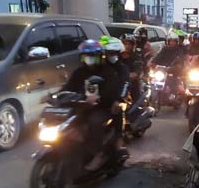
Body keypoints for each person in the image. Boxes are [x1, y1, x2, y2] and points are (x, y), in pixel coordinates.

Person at [62, 39, 123, 171]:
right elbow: (68, 87)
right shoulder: (79, 72)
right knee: (66, 121)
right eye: (86, 56)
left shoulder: (107, 72)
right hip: (82, 106)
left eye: (92, 56)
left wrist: (99, 98)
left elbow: (112, 89)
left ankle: (98, 154)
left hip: (102, 107)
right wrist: (53, 96)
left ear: (99, 57)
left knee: (94, 121)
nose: (89, 59)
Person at [120, 34, 145, 102]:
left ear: (133, 45)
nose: (127, 46)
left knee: (137, 105)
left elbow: (138, 69)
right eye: (125, 44)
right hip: (118, 83)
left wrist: (133, 74)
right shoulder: (117, 56)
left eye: (129, 44)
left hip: (132, 84)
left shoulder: (136, 57)